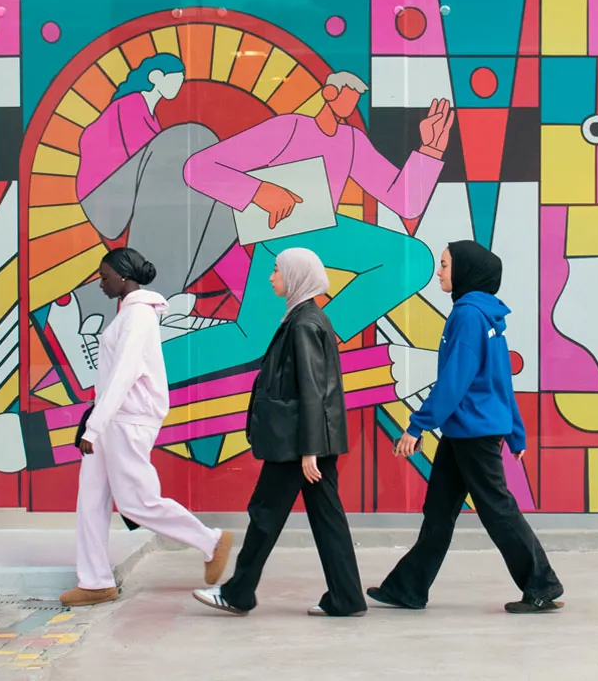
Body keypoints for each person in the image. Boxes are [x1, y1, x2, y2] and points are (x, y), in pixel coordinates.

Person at [168, 71, 452, 385]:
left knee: (411, 260)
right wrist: (260, 192)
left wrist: (430, 151)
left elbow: (404, 201)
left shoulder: (352, 141)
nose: (352, 101)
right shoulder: (289, 128)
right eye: (348, 92)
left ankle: (315, 335)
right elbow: (198, 168)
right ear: (329, 93)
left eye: (357, 95)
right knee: (410, 258)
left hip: (316, 235)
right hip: (281, 236)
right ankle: (141, 361)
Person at [367, 241, 565, 615]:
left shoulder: (468, 315)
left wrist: (417, 425)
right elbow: (501, 379)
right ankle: (408, 587)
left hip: (473, 433)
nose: (439, 272)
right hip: (465, 431)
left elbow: (455, 380)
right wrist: (516, 432)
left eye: (444, 265)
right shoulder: (484, 315)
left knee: (497, 510)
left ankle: (542, 585)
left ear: (466, 271)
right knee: (439, 511)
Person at [192, 249, 367, 618]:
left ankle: (238, 592)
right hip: (309, 441)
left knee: (265, 513)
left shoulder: (304, 324)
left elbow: (312, 389)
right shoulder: (306, 318)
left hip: (297, 445)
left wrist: (308, 450)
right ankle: (347, 597)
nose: (271, 277)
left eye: (276, 271)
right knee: (327, 517)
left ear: (296, 276)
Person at [50, 53, 236, 393]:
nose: (180, 84)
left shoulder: (145, 114)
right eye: (175, 76)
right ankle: (132, 308)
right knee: (192, 140)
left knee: (225, 213)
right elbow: (151, 168)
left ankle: (85, 307)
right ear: (154, 77)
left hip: (134, 195)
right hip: (108, 195)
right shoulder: (130, 108)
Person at [60, 247, 234, 608]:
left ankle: (210, 540)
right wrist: (95, 423)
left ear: (123, 277)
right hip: (111, 418)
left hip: (128, 419)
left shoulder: (139, 315)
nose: (100, 282)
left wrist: (95, 427)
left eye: (104, 276)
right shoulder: (127, 314)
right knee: (90, 502)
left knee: (137, 501)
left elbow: (124, 375)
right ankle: (94, 581)